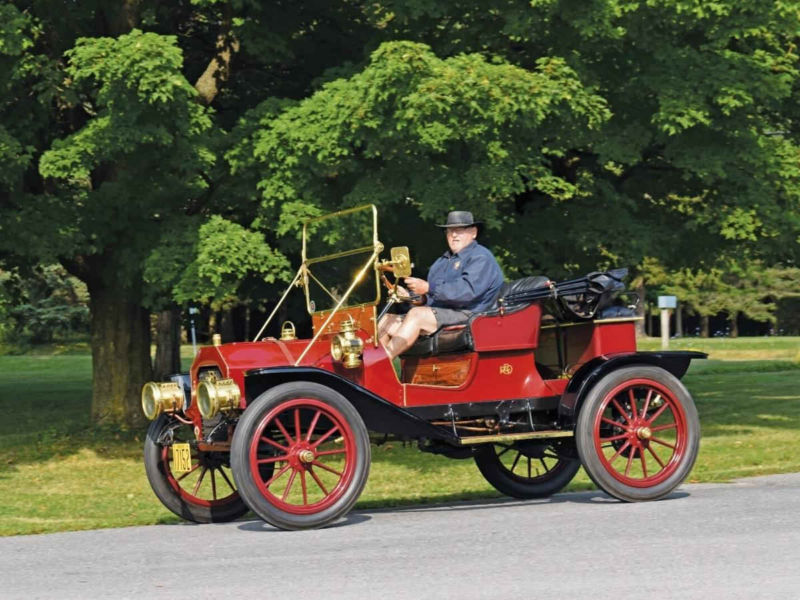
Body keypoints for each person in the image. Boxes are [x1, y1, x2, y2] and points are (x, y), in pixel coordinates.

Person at [379, 210, 504, 359]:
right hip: (442, 314)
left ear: (473, 232)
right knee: (386, 319)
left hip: (472, 314)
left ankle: (380, 363)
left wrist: (428, 288)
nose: (454, 235)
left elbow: (466, 292)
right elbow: (432, 300)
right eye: (450, 231)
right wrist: (414, 298)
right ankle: (370, 369)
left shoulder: (481, 257)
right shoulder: (440, 263)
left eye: (460, 230)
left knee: (417, 315)